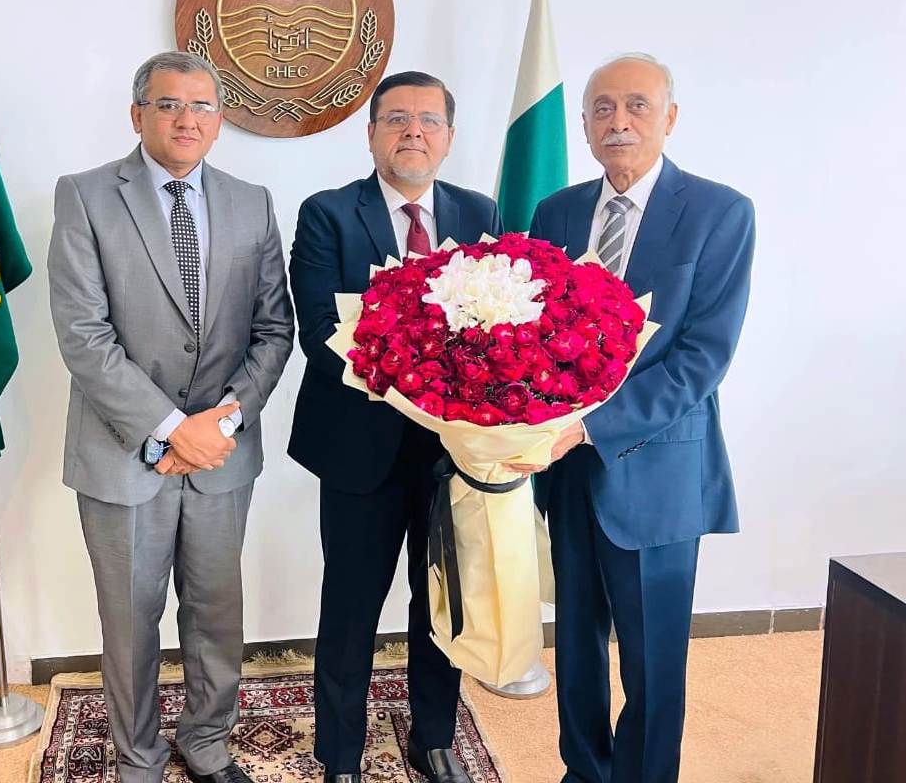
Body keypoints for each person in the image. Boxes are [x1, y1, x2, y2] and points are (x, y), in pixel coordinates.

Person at [47, 51, 294, 783]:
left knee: (216, 612)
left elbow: (273, 329)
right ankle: (139, 758)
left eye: (202, 106)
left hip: (221, 455)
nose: (187, 119)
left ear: (219, 121)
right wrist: (170, 427)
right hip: (121, 453)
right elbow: (83, 335)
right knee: (130, 622)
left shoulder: (251, 202)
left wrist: (219, 424)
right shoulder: (86, 196)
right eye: (168, 104)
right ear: (138, 115)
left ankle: (207, 742)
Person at [519, 53, 755, 783]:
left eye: (636, 105)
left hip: (658, 470)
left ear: (669, 118)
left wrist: (592, 426)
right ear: (584, 125)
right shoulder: (555, 213)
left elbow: (702, 357)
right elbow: (526, 337)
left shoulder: (719, 212)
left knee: (653, 663)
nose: (617, 121)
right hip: (564, 470)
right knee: (577, 650)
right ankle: (584, 772)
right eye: (601, 108)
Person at [289, 72, 503, 783]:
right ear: (372, 133)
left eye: (429, 120)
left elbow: (503, 327)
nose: (414, 131)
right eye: (397, 119)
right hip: (360, 445)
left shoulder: (479, 212)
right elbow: (322, 332)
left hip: (453, 451)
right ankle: (340, 755)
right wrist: (419, 384)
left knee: (441, 602)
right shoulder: (327, 213)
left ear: (448, 137)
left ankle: (433, 738)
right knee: (351, 607)